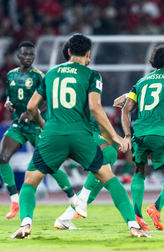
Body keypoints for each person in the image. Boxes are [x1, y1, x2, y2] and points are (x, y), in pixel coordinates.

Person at [10, 34, 149, 238]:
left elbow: (31, 106)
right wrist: (115, 135)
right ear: (88, 53)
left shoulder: (50, 74)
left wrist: (43, 125)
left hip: (53, 134)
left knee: (29, 183)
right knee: (110, 179)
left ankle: (25, 224)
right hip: (80, 135)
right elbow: (94, 106)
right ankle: (133, 226)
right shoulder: (91, 75)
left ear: (68, 52)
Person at [54, 41, 129, 229]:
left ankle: (67, 216)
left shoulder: (58, 75)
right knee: (109, 156)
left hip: (89, 126)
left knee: (106, 163)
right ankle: (83, 199)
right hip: (79, 128)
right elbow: (93, 105)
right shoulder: (88, 75)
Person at [0, 41, 75, 220]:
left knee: (51, 163)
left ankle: (73, 199)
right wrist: (8, 103)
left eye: (31, 55)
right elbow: (10, 95)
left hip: (36, 126)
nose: (27, 58)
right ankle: (14, 200)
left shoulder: (40, 76)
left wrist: (34, 114)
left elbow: (49, 102)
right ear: (19, 56)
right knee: (2, 157)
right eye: (24, 54)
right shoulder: (10, 75)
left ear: (34, 57)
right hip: (18, 126)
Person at [122, 44, 164, 231]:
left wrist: (126, 135)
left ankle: (136, 215)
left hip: (139, 132)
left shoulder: (140, 82)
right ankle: (156, 208)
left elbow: (126, 109)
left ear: (153, 62)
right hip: (161, 132)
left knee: (139, 172)